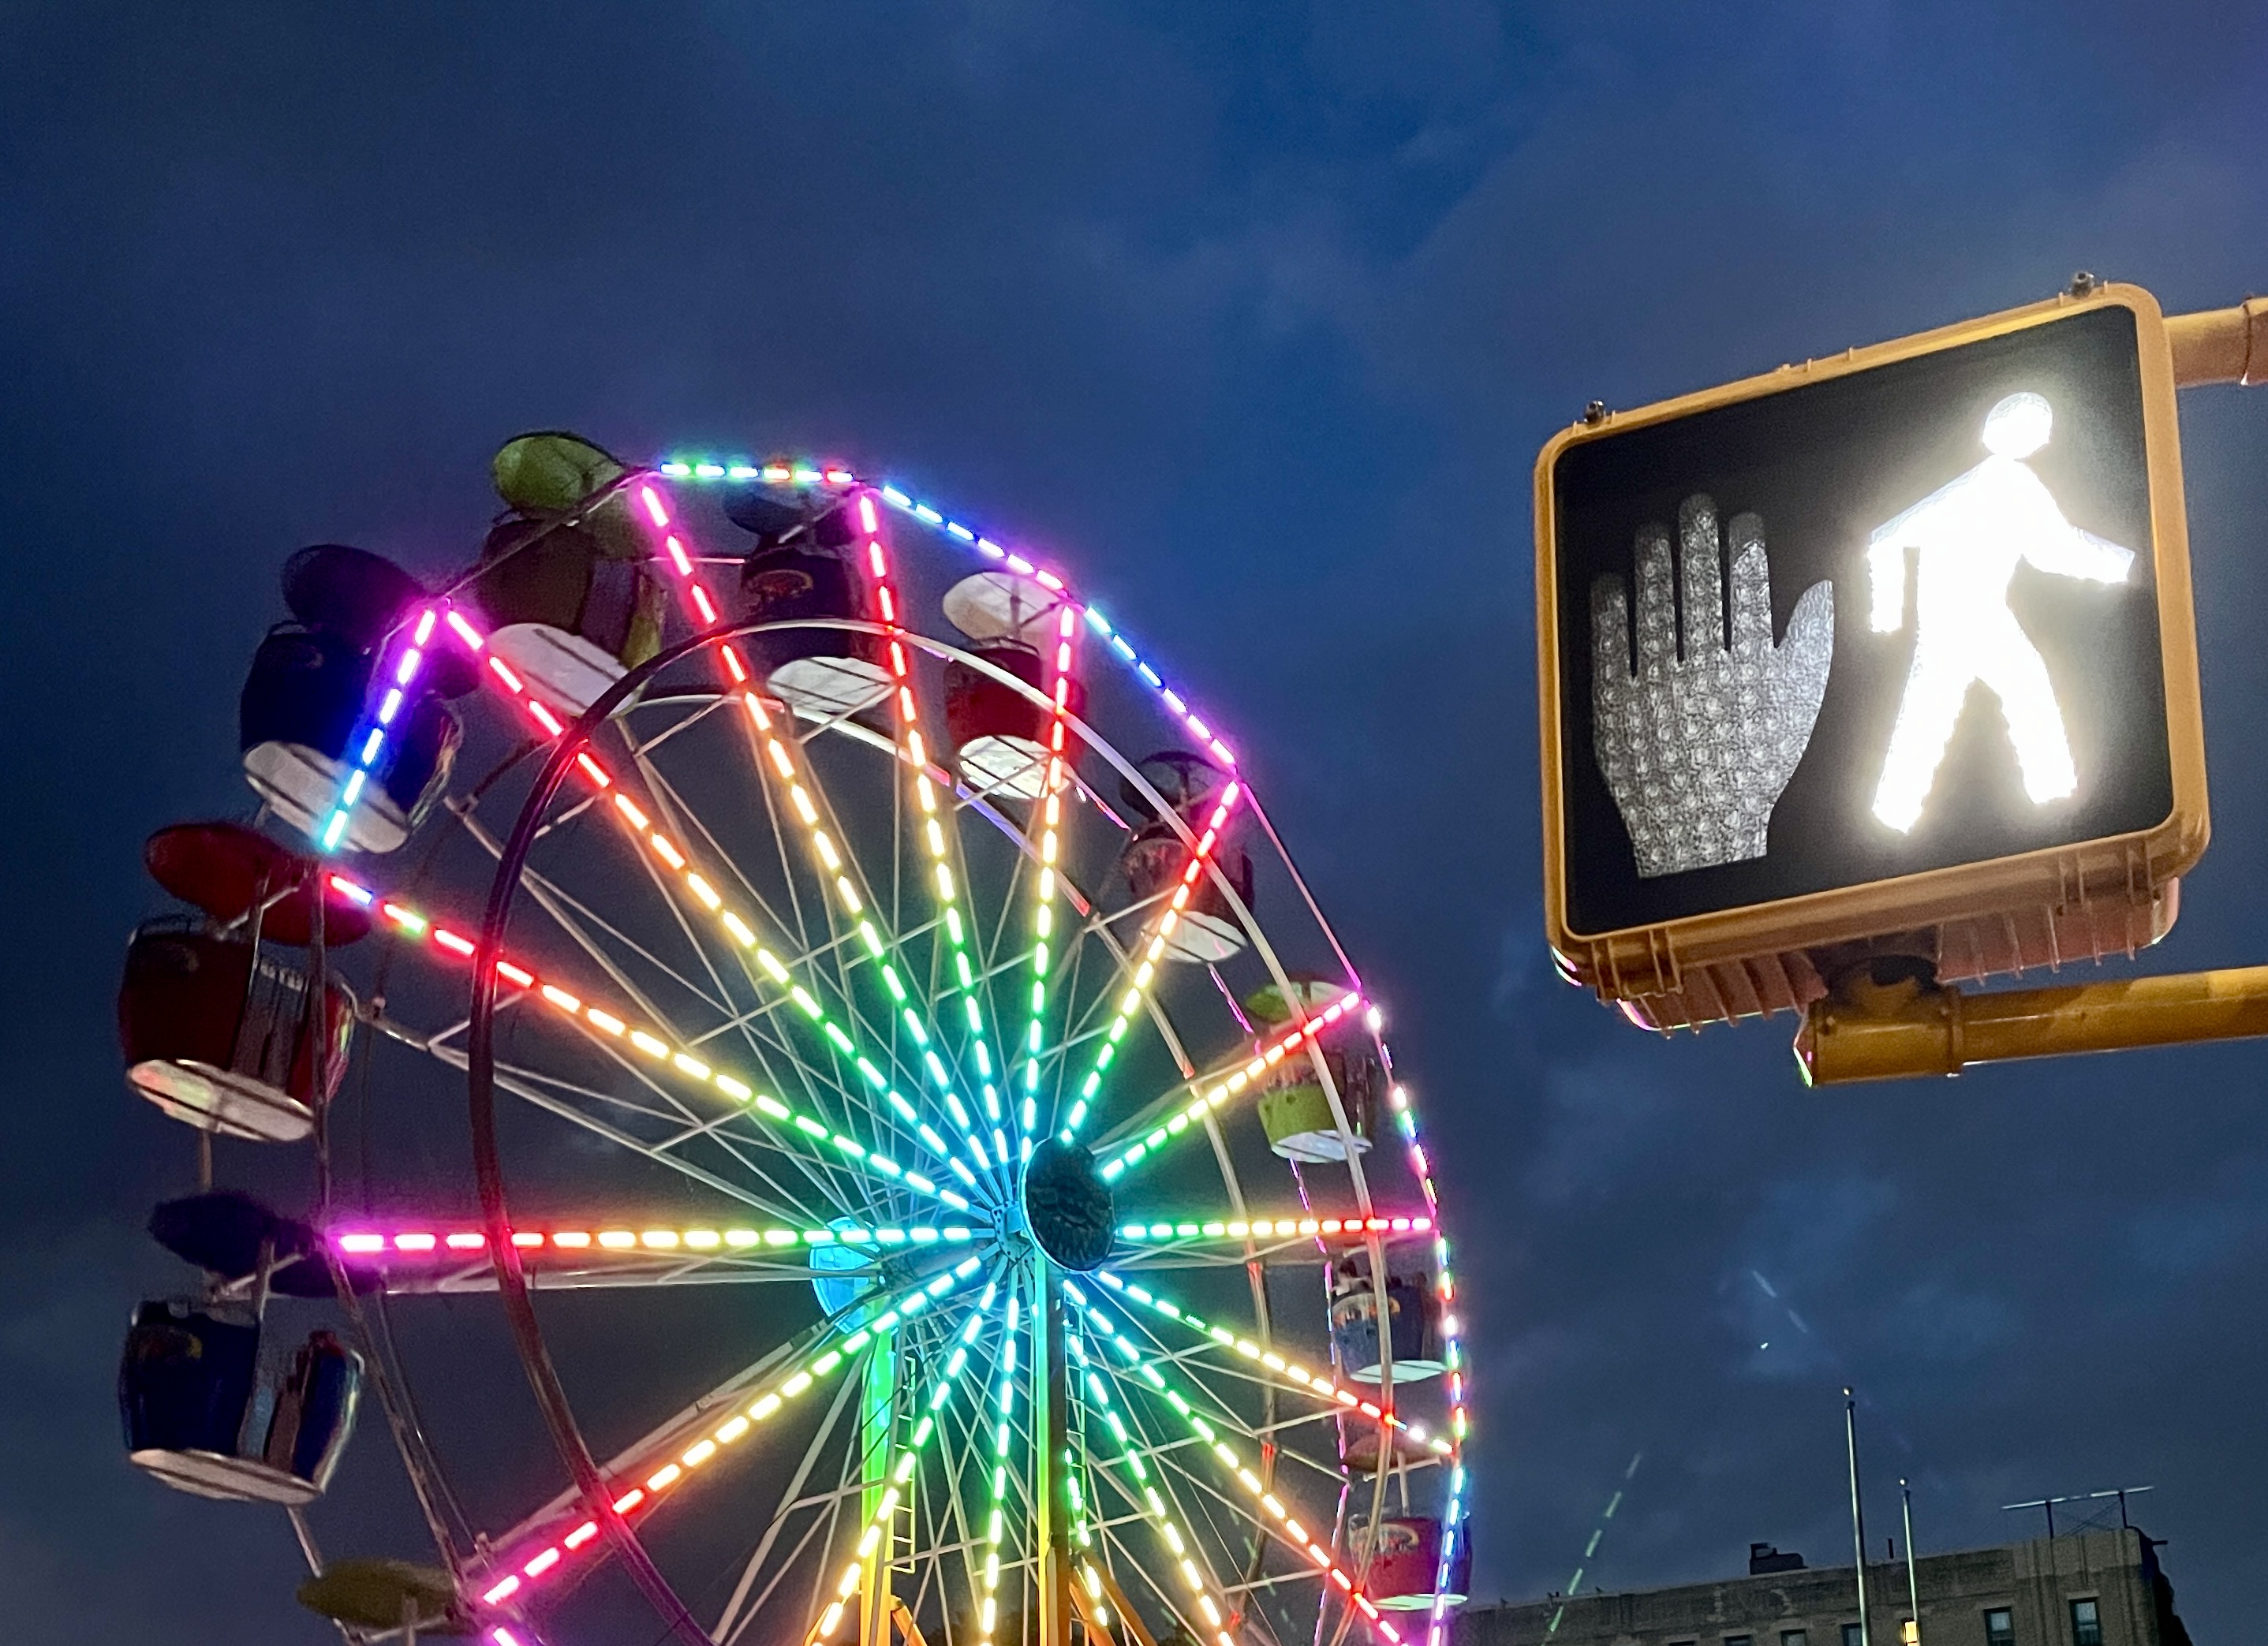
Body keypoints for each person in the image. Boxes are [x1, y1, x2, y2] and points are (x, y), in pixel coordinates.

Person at [1866, 391, 2135, 831]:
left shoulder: (2007, 484)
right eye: (2037, 431)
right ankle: (2053, 803)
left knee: (1973, 700)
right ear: (2016, 431)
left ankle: (1893, 818)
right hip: (1958, 620)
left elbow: (2056, 552)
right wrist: (1885, 616)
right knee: (1963, 703)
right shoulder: (1995, 485)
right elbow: (1885, 539)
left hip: (1976, 618)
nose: (2044, 442)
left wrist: (2125, 567)